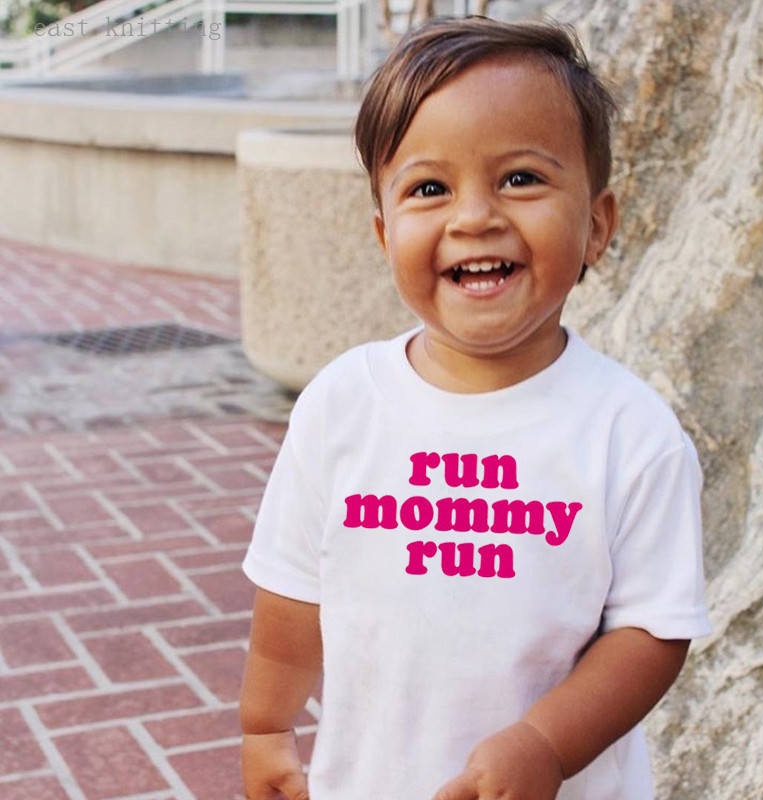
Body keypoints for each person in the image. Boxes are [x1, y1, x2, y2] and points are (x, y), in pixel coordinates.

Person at [239, 16, 712, 800]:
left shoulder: (630, 433)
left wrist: (546, 745)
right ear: (384, 232)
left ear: (597, 224)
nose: (474, 217)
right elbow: (292, 588)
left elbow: (652, 631)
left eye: (520, 178)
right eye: (430, 188)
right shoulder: (341, 405)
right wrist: (265, 725)